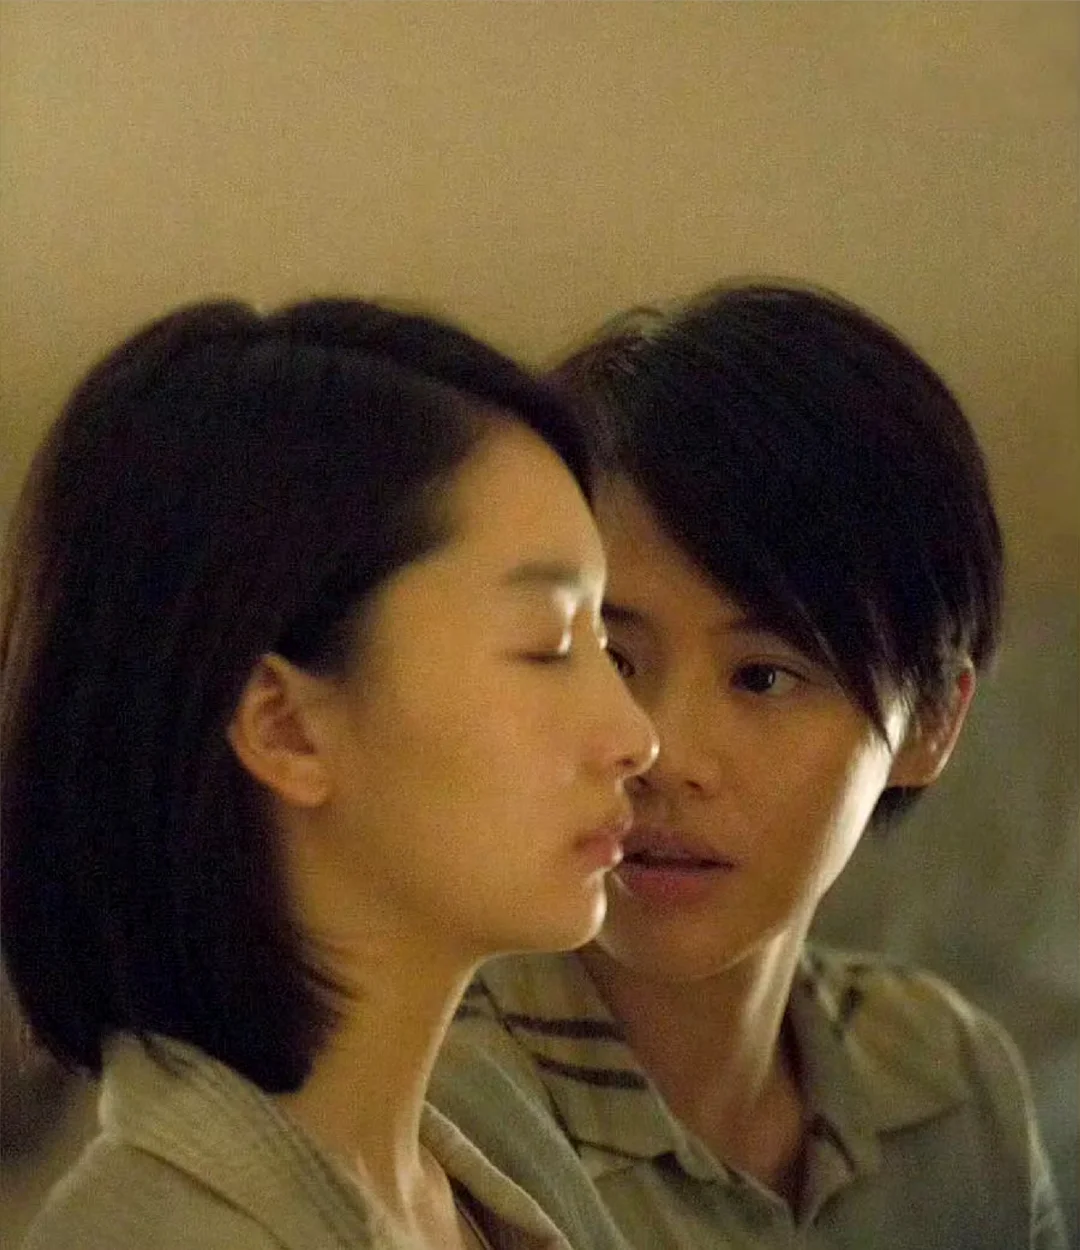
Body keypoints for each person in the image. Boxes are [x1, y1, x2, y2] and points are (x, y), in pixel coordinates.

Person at [0, 297, 659, 1250]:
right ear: (285, 728)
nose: (635, 736)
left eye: (608, 648)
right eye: (548, 645)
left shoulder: (503, 1147)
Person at [431, 281, 1067, 1248]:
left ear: (932, 723)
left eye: (764, 676)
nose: (663, 754)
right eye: (608, 656)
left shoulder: (950, 1081)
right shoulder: (435, 1121)